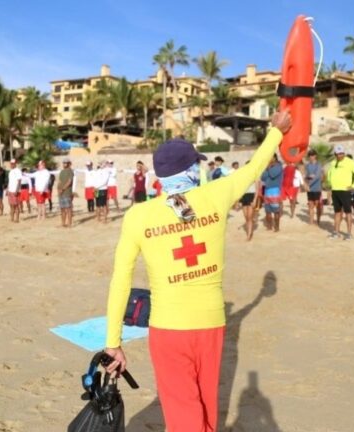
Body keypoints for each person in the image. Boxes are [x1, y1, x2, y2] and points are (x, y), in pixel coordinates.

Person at [102, 111, 292, 432]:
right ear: (192, 169)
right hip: (211, 325)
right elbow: (254, 167)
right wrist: (277, 132)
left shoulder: (139, 215)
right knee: (206, 408)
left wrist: (113, 342)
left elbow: (120, 279)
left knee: (181, 414)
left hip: (167, 329)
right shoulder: (215, 195)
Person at [327, 145, 354, 240]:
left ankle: (349, 234)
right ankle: (336, 232)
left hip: (345, 191)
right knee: (337, 212)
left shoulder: (350, 162)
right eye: (338, 154)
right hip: (335, 190)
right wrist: (330, 183)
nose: (340, 155)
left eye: (342, 153)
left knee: (348, 212)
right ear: (335, 154)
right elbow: (329, 174)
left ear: (344, 153)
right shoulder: (333, 163)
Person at [261, 154, 284, 232]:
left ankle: (277, 227)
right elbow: (262, 178)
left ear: (274, 158)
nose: (268, 159)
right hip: (267, 190)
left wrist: (268, 167)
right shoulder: (269, 167)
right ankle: (269, 226)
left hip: (275, 191)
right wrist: (267, 168)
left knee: (276, 211)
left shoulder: (278, 166)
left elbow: (273, 175)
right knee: (267, 211)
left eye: (270, 157)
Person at [240, 160, 260, 240]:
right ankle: (250, 225)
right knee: (246, 217)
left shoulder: (256, 175)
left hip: (252, 195)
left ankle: (249, 235)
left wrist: (255, 199)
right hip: (244, 196)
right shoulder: (244, 176)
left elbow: (257, 189)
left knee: (249, 216)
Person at [304, 150, 324, 226]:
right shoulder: (308, 165)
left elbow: (317, 176)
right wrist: (306, 183)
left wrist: (309, 184)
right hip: (309, 188)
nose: (311, 157)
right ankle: (311, 221)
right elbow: (306, 175)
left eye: (312, 155)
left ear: (315, 156)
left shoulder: (318, 164)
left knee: (317, 204)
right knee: (310, 204)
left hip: (316, 187)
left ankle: (318, 220)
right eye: (310, 155)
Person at [57, 159, 75, 228]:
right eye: (63, 163)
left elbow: (69, 182)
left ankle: (69, 223)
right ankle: (63, 223)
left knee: (68, 209)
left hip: (67, 192)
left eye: (65, 163)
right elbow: (60, 181)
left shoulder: (70, 171)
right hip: (61, 193)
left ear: (69, 163)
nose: (64, 164)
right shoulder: (62, 171)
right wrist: (58, 189)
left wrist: (63, 189)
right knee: (62, 209)